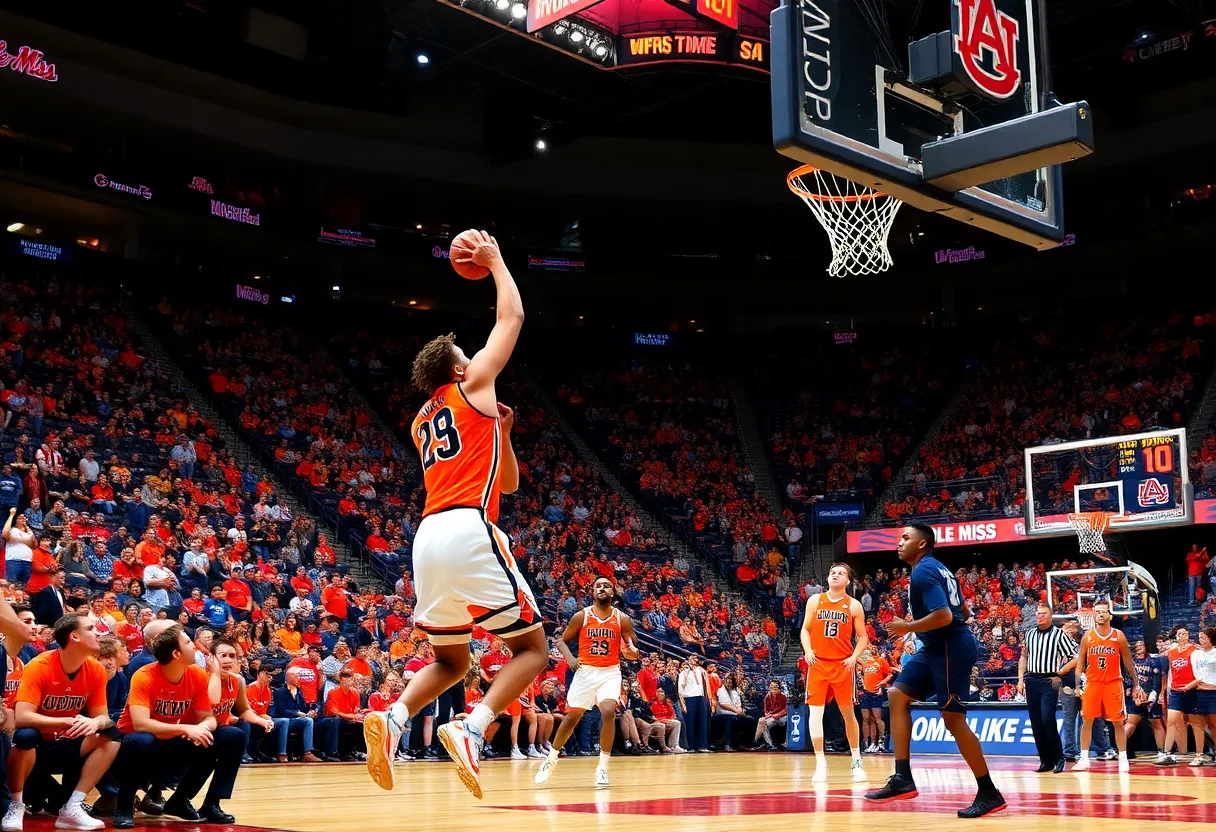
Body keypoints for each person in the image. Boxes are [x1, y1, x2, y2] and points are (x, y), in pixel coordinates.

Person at [363, 231, 548, 800]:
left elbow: (508, 481)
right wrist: (495, 263)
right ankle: (471, 728)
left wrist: (505, 434)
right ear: (459, 367)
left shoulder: (425, 417)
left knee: (448, 659)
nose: (476, 358)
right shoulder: (473, 385)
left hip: (429, 535)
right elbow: (512, 317)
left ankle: (394, 718)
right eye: (469, 355)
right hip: (470, 526)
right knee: (533, 650)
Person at [865, 524, 1005, 818]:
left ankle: (989, 792)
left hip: (949, 647)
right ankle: (902, 778)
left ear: (921, 544)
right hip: (936, 646)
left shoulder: (923, 571)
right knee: (897, 695)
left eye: (905, 538)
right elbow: (963, 612)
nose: (899, 542)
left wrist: (908, 627)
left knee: (953, 721)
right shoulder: (939, 568)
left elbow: (943, 616)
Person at [112, 624, 244, 829]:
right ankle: (124, 805)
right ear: (176, 653)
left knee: (231, 736)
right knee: (142, 740)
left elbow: (208, 717)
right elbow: (140, 724)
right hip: (130, 749)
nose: (196, 646)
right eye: (189, 642)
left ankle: (197, 802)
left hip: (171, 741)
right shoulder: (144, 675)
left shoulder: (197, 675)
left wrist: (204, 728)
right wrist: (186, 729)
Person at [534, 577, 638, 789]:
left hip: (610, 671)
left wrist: (631, 652)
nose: (602, 588)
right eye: (598, 585)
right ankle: (551, 759)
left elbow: (632, 648)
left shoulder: (623, 619)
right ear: (592, 592)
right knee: (572, 717)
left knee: (608, 712)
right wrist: (570, 659)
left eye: (606, 585)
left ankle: (602, 767)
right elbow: (561, 641)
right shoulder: (581, 616)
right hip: (585, 672)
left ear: (613, 592)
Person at [801, 562, 867, 782]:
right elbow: (805, 630)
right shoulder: (814, 601)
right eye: (832, 573)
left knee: (848, 715)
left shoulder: (854, 605)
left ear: (848, 581)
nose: (835, 576)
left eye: (840, 573)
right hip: (818, 664)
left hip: (842, 665)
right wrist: (808, 650)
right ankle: (820, 763)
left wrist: (854, 657)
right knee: (815, 714)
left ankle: (856, 760)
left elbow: (863, 637)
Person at [1072, 600, 1134, 772]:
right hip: (1093, 683)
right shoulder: (1087, 637)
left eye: (1103, 611)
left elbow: (1128, 663)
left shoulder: (1118, 635)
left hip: (1113, 683)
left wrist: (1136, 684)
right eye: (1097, 611)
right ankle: (1084, 758)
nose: (1100, 614)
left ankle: (1123, 758)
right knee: (1087, 721)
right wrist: (1078, 685)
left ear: (1110, 614)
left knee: (1118, 722)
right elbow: (1079, 664)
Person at [1017, 603, 1078, 773]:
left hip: (1049, 681)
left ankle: (1059, 758)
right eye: (1038, 614)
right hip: (1032, 681)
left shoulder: (1059, 634)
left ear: (1051, 616)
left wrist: (1061, 672)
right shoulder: (1029, 634)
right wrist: (1020, 680)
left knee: (1047, 720)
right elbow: (1023, 658)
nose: (1040, 616)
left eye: (1043, 614)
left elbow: (1076, 658)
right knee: (1036, 723)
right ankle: (1045, 761)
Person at [210, 639, 276, 764]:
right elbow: (208, 708)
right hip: (201, 728)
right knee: (236, 731)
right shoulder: (203, 677)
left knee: (246, 725)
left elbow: (244, 709)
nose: (228, 660)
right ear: (211, 658)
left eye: (232, 656)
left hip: (221, 727)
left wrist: (261, 720)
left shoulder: (236, 681)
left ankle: (247, 753)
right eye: (223, 655)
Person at [1159, 627, 1206, 766]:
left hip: (1192, 690)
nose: (1182, 636)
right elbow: (1167, 672)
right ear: (1176, 637)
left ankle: (1199, 755)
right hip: (1176, 691)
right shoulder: (1171, 652)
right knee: (1171, 721)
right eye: (1179, 634)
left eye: (1185, 633)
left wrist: (1193, 684)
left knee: (1196, 723)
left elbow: (1201, 671)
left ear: (1188, 635)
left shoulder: (1195, 651)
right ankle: (1167, 754)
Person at [1125, 639, 1166, 761]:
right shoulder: (1130, 662)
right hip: (1136, 696)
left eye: (1141, 645)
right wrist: (1129, 689)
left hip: (1151, 696)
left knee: (1156, 724)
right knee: (1131, 723)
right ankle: (1121, 750)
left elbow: (1157, 679)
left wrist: (1154, 694)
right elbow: (1127, 678)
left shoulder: (1152, 661)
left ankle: (1161, 751)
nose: (1139, 647)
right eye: (1137, 645)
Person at [858, 648, 893, 754]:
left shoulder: (881, 661)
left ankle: (881, 743)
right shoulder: (863, 661)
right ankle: (868, 744)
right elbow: (858, 672)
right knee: (866, 719)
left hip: (876, 693)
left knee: (877, 718)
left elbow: (890, 674)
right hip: (865, 693)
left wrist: (882, 682)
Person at [1190, 627, 1216, 764]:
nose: (1202, 640)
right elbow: (1197, 674)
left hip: (1213, 692)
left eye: (1205, 637)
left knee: (1214, 724)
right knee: (1199, 724)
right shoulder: (1195, 654)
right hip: (1199, 692)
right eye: (1200, 637)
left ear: (1212, 639)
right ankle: (1199, 755)